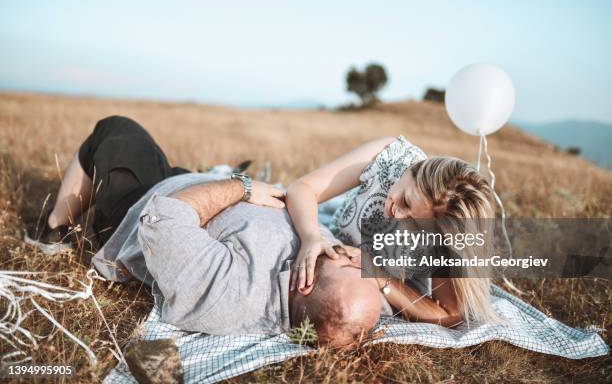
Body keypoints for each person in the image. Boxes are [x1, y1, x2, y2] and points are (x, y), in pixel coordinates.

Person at [25, 116, 382, 347]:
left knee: (116, 132)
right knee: (151, 152)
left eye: (351, 265)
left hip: (140, 206)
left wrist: (241, 186)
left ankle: (53, 229)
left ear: (304, 284)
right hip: (193, 183)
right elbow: (371, 288)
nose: (355, 256)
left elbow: (162, 219)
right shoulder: (322, 268)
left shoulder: (233, 290)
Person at [285, 136, 499, 326]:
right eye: (405, 200)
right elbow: (302, 188)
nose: (398, 214)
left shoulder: (445, 231)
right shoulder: (391, 156)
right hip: (329, 238)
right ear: (411, 169)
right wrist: (311, 236)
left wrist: (380, 278)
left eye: (416, 224)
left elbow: (449, 313)